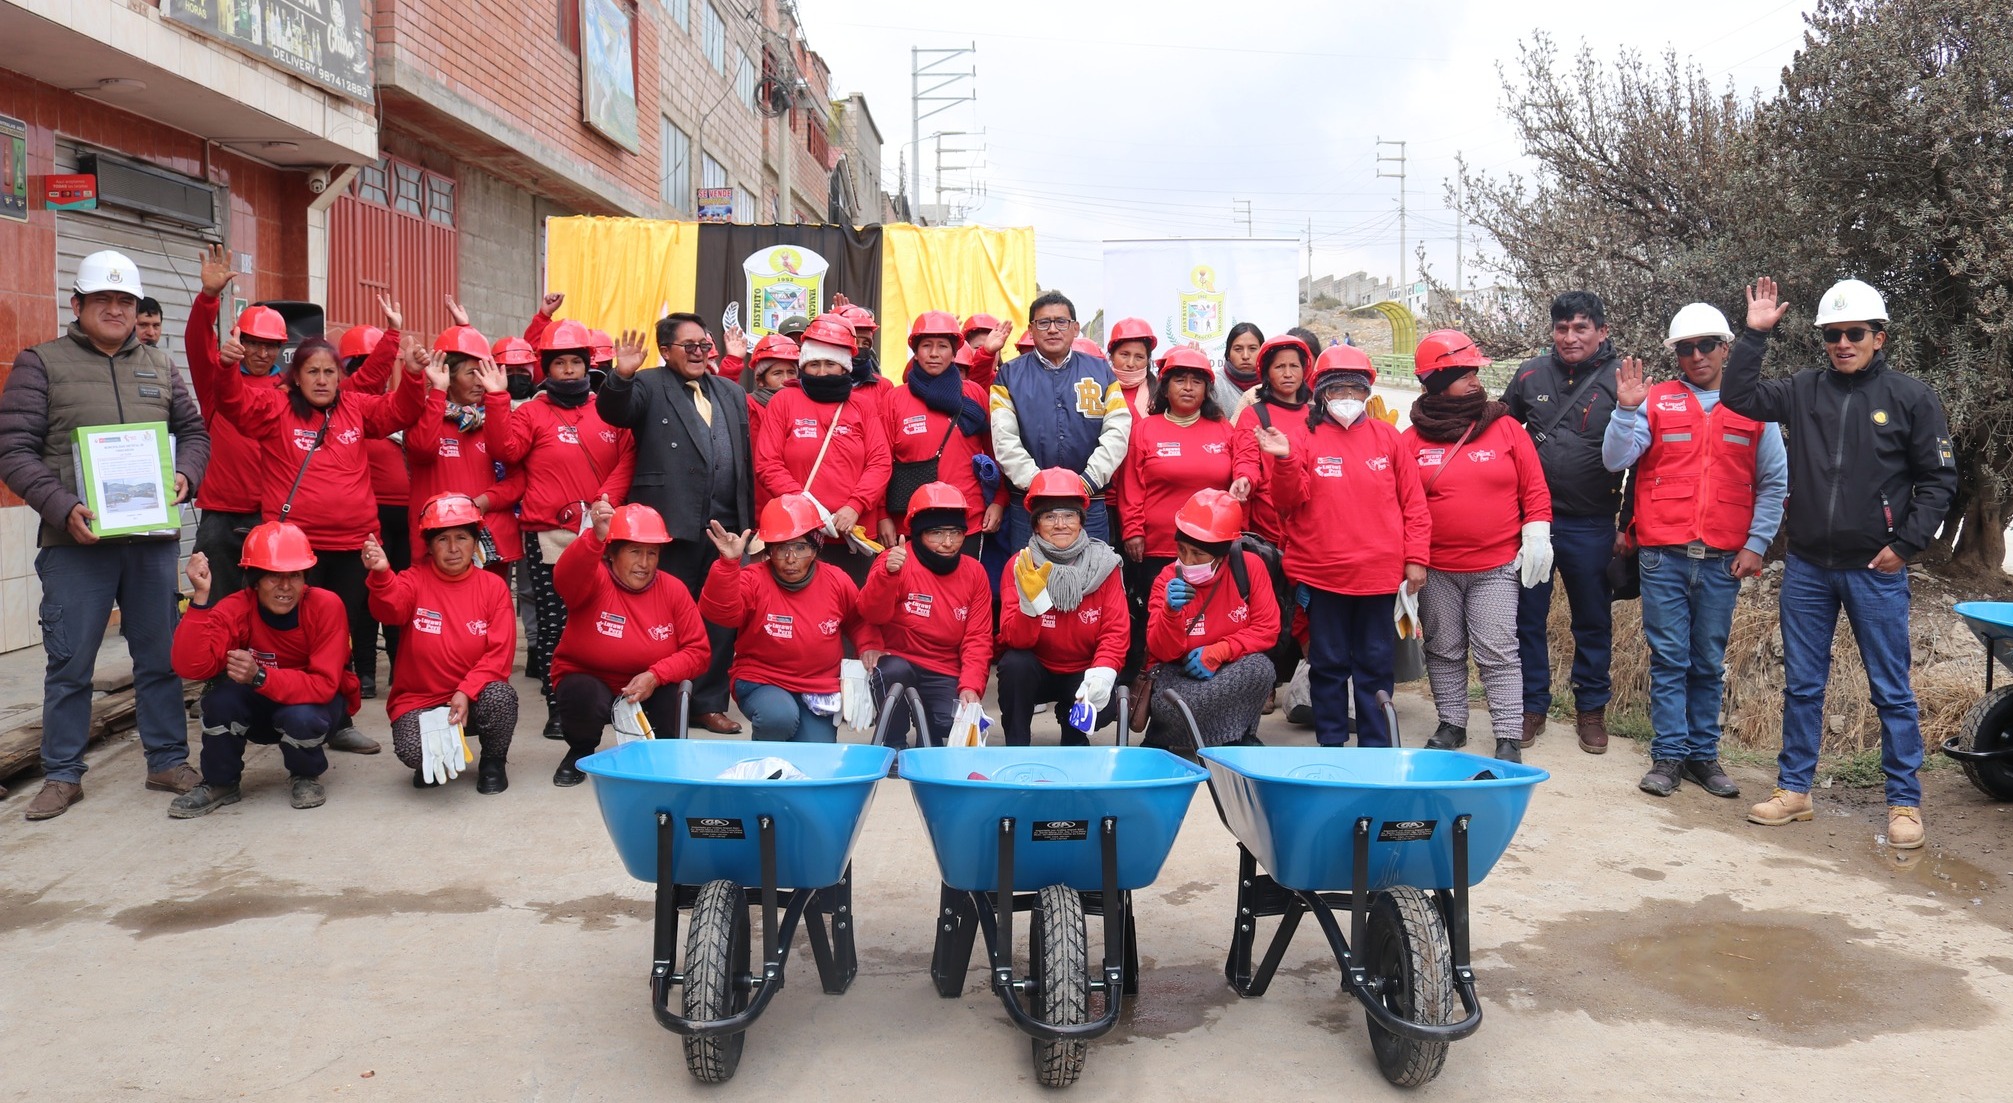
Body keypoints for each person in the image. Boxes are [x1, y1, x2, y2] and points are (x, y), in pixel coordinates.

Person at [1725, 277, 1956, 849]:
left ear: (1879, 337)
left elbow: (1938, 479)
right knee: (1803, 685)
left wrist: (1905, 546)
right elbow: (1739, 397)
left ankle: (1904, 801)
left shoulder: (1912, 397)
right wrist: (1753, 336)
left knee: (1890, 690)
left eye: (1854, 333)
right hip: (1807, 566)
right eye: (1832, 334)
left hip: (1875, 570)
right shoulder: (1804, 389)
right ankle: (1795, 790)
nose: (1842, 343)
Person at [0, 250, 211, 820]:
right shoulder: (40, 363)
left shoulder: (161, 366)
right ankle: (63, 774)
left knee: (160, 657)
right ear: (78, 305)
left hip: (150, 544)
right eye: (104, 300)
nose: (116, 310)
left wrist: (187, 474)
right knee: (70, 662)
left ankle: (166, 759)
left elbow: (193, 432)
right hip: (77, 547)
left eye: (125, 302)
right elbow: (13, 450)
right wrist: (62, 506)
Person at [205, 320, 431, 758]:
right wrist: (226, 369)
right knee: (289, 634)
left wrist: (416, 376)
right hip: (292, 552)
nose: (323, 380)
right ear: (296, 377)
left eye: (330, 372)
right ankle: (280, 707)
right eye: (313, 372)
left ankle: (337, 720)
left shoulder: (355, 407)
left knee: (338, 634)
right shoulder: (273, 407)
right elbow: (232, 404)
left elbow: (398, 412)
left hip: (351, 546)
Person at [1602, 305, 1786, 797]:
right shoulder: (1655, 401)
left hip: (1725, 559)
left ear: (1727, 348)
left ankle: (1704, 757)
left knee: (1707, 660)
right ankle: (1668, 757)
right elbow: (1616, 458)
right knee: (1668, 659)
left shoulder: (1754, 406)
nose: (1698, 355)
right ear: (1677, 355)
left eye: (1707, 345)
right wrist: (1624, 410)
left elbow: (1773, 483)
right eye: (1686, 348)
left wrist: (1756, 544)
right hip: (1663, 555)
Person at [190, 245, 390, 600]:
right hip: (223, 516)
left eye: (270, 345)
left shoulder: (293, 389)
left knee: (274, 610)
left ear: (282, 348)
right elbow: (197, 344)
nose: (261, 352)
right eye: (253, 343)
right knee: (219, 603)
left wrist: (388, 348)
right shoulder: (219, 383)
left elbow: (354, 389)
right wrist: (208, 298)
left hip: (274, 518)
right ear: (240, 341)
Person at [1258, 344, 1430, 748]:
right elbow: (1286, 502)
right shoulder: (1301, 438)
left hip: (1378, 577)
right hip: (1323, 577)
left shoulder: (1388, 438)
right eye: (1338, 390)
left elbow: (1415, 506)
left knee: (1374, 664)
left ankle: (1376, 746)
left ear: (1367, 393)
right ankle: (1331, 742)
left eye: (1356, 390)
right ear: (1322, 394)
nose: (1348, 398)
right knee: (1328, 663)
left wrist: (1417, 559)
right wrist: (1283, 460)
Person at [597, 316, 754, 737]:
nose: (700, 353)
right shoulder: (648, 384)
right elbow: (615, 411)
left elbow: (743, 460)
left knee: (720, 620)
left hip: (725, 527)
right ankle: (665, 699)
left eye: (704, 345)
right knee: (667, 620)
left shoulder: (732, 392)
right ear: (666, 351)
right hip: (670, 526)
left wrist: (747, 524)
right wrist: (621, 375)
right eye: (689, 346)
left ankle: (707, 703)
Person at [1403, 330, 1554, 763]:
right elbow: (1399, 504)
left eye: (1474, 372)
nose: (1475, 380)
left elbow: (1535, 490)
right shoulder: (1411, 440)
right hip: (1436, 569)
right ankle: (1452, 723)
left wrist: (1537, 534)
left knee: (1498, 650)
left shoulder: (1505, 427)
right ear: (1434, 381)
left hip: (1496, 566)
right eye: (1464, 373)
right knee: (1444, 648)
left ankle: (1507, 734)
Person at [487, 318, 636, 739]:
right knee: (556, 626)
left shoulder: (610, 409)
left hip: (606, 533)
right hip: (547, 535)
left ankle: (615, 701)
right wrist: (499, 399)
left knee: (608, 619)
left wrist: (604, 500)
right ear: (545, 369)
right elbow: (505, 450)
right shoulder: (531, 412)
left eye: (575, 362)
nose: (568, 370)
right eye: (559, 363)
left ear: (588, 365)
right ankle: (560, 709)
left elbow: (628, 457)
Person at [1502, 290, 1625, 754]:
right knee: (1527, 618)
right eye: (1562, 328)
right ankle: (1532, 705)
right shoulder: (1530, 372)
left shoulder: (1619, 380)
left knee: (1591, 621)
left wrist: (1626, 524)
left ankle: (1591, 710)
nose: (1570, 337)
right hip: (1531, 523)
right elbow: (1501, 433)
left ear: (1601, 331)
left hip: (1591, 524)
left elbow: (1644, 458)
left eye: (1580, 328)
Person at [167, 524, 359, 817]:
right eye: (273, 576)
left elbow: (324, 685)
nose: (285, 586)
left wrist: (260, 676)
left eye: (294, 575)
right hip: (260, 707)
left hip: (311, 706)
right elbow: (190, 666)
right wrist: (201, 598)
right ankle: (221, 782)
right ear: (255, 580)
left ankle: (305, 774)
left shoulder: (326, 606)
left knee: (302, 717)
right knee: (219, 703)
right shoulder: (237, 608)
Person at [1117, 344, 1255, 693]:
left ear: (1208, 389)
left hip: (1212, 552)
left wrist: (1242, 478)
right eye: (1180, 379)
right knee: (1162, 622)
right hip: (1159, 547)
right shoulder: (1146, 430)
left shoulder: (1222, 428)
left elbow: (1242, 461)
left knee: (1208, 622)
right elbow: (1131, 485)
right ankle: (1154, 690)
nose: (1189, 387)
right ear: (1165, 387)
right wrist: (1133, 530)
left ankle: (1205, 688)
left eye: (1197, 380)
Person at [362, 494, 519, 793]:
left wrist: (466, 690)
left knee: (501, 696)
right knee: (413, 753)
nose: (452, 548)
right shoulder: (413, 579)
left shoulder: (493, 587)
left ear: (475, 542)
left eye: (462, 537)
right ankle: (439, 752)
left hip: (473, 697)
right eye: (442, 539)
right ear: (429, 546)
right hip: (419, 700)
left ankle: (493, 762)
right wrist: (382, 574)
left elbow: (500, 654)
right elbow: (389, 611)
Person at [548, 500, 711, 785]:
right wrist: (594, 537)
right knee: (581, 691)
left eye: (652, 553)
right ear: (612, 553)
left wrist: (656, 675)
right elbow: (565, 576)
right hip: (591, 678)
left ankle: (662, 756)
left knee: (673, 692)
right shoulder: (593, 579)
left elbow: (698, 652)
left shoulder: (674, 590)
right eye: (635, 551)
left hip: (650, 684)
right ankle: (580, 751)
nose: (644, 563)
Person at [700, 494, 882, 744]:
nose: (790, 559)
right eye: (781, 548)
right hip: (761, 680)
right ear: (769, 550)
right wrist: (728, 565)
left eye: (800, 547)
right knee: (780, 718)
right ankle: (765, 774)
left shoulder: (836, 580)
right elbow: (721, 613)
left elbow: (858, 620)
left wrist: (869, 646)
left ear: (815, 548)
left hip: (818, 687)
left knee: (816, 756)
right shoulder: (753, 579)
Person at [753, 312, 891, 584]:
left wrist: (855, 506)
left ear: (845, 367)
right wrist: (808, 508)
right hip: (797, 532)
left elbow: (880, 462)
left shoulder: (862, 406)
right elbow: (767, 463)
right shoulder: (784, 401)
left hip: (852, 532)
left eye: (831, 363)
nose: (822, 371)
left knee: (853, 613)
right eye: (814, 363)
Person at [989, 291, 1132, 551]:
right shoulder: (1009, 376)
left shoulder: (1101, 371)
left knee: (1094, 581)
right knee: (1031, 582)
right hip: (1030, 503)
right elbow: (1004, 439)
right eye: (1043, 323)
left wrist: (1088, 480)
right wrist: (1038, 485)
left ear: (1075, 328)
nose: (1053, 329)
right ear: (1031, 330)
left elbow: (1117, 430)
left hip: (1089, 499)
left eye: (1061, 322)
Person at [996, 469, 1130, 746]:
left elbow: (1115, 631)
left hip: (1082, 669)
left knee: (1105, 707)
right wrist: (1030, 608)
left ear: (1081, 521)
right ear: (1036, 525)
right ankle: (1016, 746)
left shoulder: (1105, 564)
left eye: (1069, 515)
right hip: (1038, 669)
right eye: (1049, 516)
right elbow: (1012, 638)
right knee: (1014, 666)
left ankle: (1072, 727)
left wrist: (1103, 671)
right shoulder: (1020, 566)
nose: (1060, 524)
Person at [1142, 490, 1281, 749]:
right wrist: (1170, 613)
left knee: (1261, 670)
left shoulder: (1249, 567)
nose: (1188, 560)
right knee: (1174, 703)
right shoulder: (1166, 578)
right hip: (1177, 674)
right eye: (1181, 550)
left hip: (1228, 667)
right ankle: (1229, 736)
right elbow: (1160, 651)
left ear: (1221, 555)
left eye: (1198, 554)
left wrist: (1219, 651)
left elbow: (1268, 628)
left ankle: (1214, 733)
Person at [861, 482, 993, 754]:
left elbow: (978, 638)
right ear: (918, 533)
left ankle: (929, 728)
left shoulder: (975, 573)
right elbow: (871, 614)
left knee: (951, 725)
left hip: (943, 668)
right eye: (936, 533)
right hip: (899, 659)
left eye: (955, 533)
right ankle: (892, 742)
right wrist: (887, 576)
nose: (947, 543)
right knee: (893, 672)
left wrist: (971, 686)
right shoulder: (894, 560)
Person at [403, 328, 523, 577]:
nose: (481, 381)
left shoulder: (496, 418)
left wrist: (483, 502)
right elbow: (422, 450)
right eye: (472, 373)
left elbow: (518, 478)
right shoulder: (424, 414)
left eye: (484, 373)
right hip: (437, 542)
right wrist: (437, 392)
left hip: (490, 542)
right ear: (448, 375)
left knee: (492, 612)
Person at [878, 311, 1002, 552]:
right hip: (910, 519)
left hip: (967, 519)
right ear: (915, 350)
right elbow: (881, 461)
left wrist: (998, 501)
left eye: (943, 346)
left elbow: (995, 452)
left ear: (954, 352)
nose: (934, 353)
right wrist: (882, 514)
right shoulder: (894, 399)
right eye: (926, 345)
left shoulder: (974, 393)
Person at [1232, 334, 1316, 547]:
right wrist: (1244, 480)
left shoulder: (1316, 415)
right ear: (1267, 372)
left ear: (1304, 371)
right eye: (1279, 367)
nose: (1288, 374)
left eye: (1294, 366)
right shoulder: (1255, 414)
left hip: (1311, 530)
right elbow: (1246, 459)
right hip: (1268, 534)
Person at [1216, 322, 1265, 414]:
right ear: (1228, 354)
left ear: (1262, 352)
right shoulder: (1215, 384)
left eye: (1252, 348)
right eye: (1238, 349)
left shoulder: (1272, 384)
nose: (1245, 356)